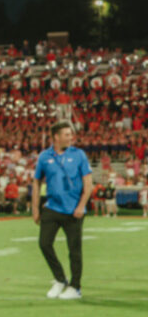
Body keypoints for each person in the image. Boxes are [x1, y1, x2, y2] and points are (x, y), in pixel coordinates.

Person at [32, 119, 92, 300]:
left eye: (70, 134)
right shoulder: (44, 157)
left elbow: (88, 184)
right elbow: (36, 182)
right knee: (44, 244)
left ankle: (75, 287)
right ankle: (60, 279)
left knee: (74, 250)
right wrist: (35, 209)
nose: (71, 137)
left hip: (74, 210)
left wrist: (81, 206)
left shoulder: (79, 155)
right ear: (56, 137)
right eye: (67, 134)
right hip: (52, 207)